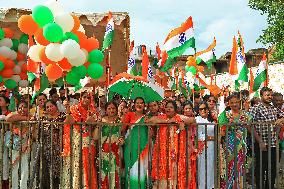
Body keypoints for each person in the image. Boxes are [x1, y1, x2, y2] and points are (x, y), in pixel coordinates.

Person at [147, 100, 196, 188]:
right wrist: (167, 122)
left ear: (175, 109)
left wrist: (182, 123)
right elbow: (151, 120)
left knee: (174, 174)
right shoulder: (162, 117)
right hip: (162, 152)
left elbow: (192, 119)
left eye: (171, 107)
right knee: (162, 175)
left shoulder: (179, 117)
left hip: (175, 152)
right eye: (167, 107)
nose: (168, 109)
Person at [220, 94, 263, 188]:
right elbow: (221, 131)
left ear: (240, 103)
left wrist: (259, 140)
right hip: (228, 146)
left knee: (239, 168)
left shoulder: (246, 115)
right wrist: (226, 126)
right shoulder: (225, 115)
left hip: (241, 146)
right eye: (232, 102)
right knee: (228, 168)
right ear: (228, 104)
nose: (234, 104)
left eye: (236, 102)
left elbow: (251, 129)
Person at [62, 91, 99, 189]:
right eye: (84, 97)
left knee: (87, 166)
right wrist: (67, 110)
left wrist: (90, 122)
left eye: (88, 98)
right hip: (76, 141)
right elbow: (69, 121)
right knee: (76, 165)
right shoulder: (74, 109)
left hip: (89, 142)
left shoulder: (94, 112)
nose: (86, 99)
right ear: (80, 98)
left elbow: (94, 127)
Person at [249, 87, 284, 189]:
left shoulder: (273, 108)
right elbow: (249, 124)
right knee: (260, 169)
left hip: (273, 143)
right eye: (267, 95)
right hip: (261, 143)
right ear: (261, 96)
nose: (269, 97)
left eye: (270, 95)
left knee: (272, 169)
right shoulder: (256, 108)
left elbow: (282, 116)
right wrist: (259, 141)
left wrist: (281, 119)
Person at [121, 97, 149, 189]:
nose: (139, 104)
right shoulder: (129, 115)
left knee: (142, 172)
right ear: (134, 104)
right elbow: (122, 130)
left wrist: (149, 125)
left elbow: (151, 134)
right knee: (130, 171)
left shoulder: (147, 118)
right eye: (137, 103)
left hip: (143, 148)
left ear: (144, 105)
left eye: (141, 103)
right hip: (130, 148)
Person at [39, 100, 66, 189]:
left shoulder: (63, 116)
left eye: (51, 106)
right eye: (47, 107)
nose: (49, 108)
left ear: (56, 106)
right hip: (47, 148)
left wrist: (68, 108)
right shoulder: (43, 119)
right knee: (47, 170)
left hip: (60, 148)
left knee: (58, 171)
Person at [5, 101, 31, 189]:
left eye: (24, 107)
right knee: (14, 169)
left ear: (29, 108)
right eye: (20, 108)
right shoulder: (14, 115)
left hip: (26, 145)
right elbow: (8, 118)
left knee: (25, 169)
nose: (22, 109)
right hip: (15, 145)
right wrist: (23, 117)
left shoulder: (32, 116)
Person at [101, 101, 124, 189]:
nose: (111, 110)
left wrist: (122, 140)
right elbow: (95, 137)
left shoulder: (120, 120)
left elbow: (122, 134)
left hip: (116, 151)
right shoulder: (101, 120)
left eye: (113, 108)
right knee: (104, 174)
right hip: (104, 151)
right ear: (106, 110)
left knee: (115, 173)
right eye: (109, 108)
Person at [195, 101, 215, 189]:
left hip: (212, 147)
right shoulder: (197, 119)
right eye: (200, 109)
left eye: (204, 108)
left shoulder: (213, 119)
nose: (203, 110)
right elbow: (199, 135)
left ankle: (211, 186)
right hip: (202, 146)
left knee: (211, 167)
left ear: (207, 109)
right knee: (202, 167)